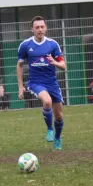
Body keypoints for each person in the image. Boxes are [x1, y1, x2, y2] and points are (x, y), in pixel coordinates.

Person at [17, 16, 67, 150]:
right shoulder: (25, 45)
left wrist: (54, 62)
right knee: (47, 102)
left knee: (59, 116)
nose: (40, 29)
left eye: (42, 27)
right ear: (32, 29)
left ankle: (57, 138)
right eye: (37, 27)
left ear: (46, 28)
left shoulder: (52, 44)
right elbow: (20, 65)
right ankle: (50, 129)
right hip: (35, 82)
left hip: (52, 83)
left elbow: (63, 66)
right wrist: (21, 87)